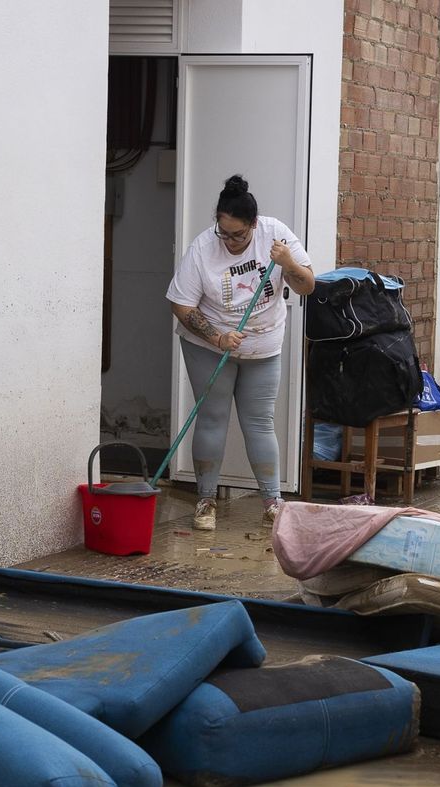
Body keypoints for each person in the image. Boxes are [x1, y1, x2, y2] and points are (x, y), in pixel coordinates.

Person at [167, 175, 315, 532]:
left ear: (254, 224)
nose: (230, 241)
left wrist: (288, 264)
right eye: (224, 232)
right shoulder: (203, 249)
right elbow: (181, 305)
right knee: (213, 417)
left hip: (263, 345)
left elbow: (308, 285)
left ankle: (272, 503)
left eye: (239, 235)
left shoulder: (274, 234)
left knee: (260, 423)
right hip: (209, 345)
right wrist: (218, 338)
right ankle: (205, 499)